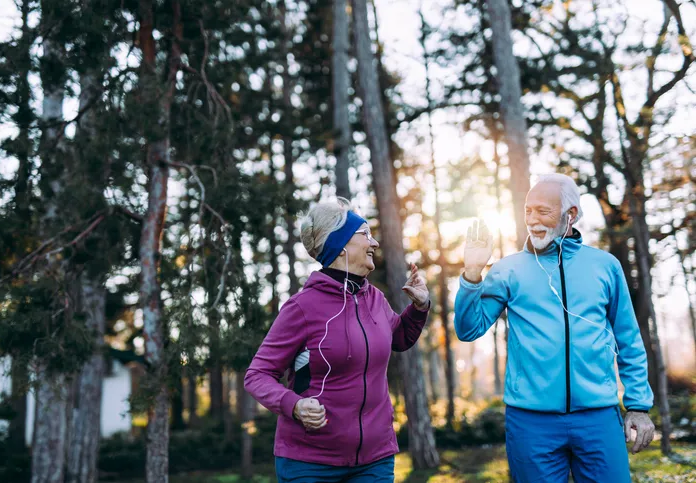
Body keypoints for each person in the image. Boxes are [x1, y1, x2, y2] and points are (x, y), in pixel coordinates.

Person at [454, 174, 655, 482]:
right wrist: (471, 274)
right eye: (527, 211)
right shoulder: (508, 270)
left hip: (598, 417)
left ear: (570, 214)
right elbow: (469, 329)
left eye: (543, 211)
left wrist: (638, 405)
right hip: (531, 424)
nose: (532, 220)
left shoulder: (605, 266)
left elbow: (628, 339)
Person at [244, 198, 430, 483]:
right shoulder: (302, 307)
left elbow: (399, 338)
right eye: (365, 234)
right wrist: (294, 405)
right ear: (341, 244)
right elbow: (257, 375)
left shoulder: (375, 299)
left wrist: (418, 309)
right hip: (311, 463)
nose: (375, 243)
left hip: (375, 459)